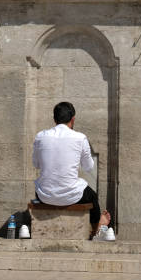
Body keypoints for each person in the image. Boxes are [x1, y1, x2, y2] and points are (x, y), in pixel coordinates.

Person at [32, 102, 114, 241]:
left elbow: (36, 164)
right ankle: (97, 228)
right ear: (73, 119)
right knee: (92, 195)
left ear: (54, 119)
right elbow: (88, 167)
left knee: (42, 185)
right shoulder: (80, 138)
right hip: (73, 195)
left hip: (44, 195)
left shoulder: (40, 136)